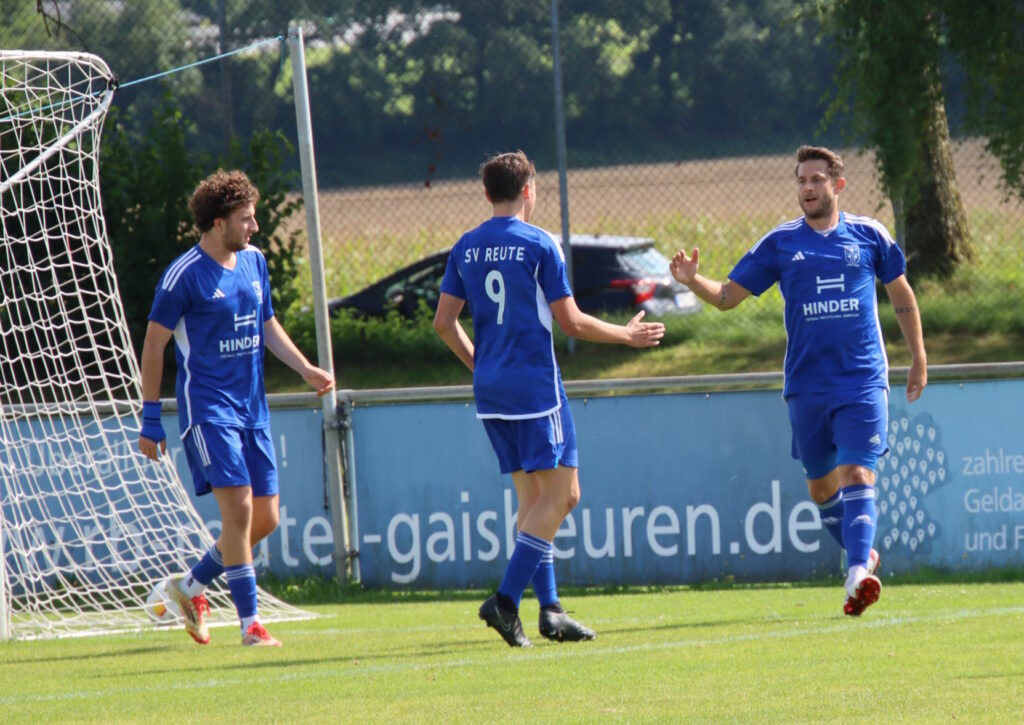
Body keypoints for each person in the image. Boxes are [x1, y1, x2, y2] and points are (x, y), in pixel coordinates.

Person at [669, 145, 927, 616]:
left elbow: (901, 293)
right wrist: (692, 281)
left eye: (816, 179)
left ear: (837, 185)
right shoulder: (781, 243)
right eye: (801, 180)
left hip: (862, 380)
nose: (807, 188)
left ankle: (856, 573)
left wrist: (919, 357)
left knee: (858, 473)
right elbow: (727, 297)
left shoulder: (869, 235)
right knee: (821, 490)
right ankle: (863, 556)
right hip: (807, 386)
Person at [433, 150, 666, 647]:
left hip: (492, 391)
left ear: (487, 193)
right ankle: (506, 600)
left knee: (533, 501)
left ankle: (552, 610)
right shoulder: (540, 243)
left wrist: (480, 365)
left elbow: (443, 322)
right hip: (535, 390)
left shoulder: (466, 246)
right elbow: (571, 322)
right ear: (529, 190)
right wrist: (627, 336)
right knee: (563, 497)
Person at [138, 169, 334, 647]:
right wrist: (150, 416)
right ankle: (251, 626)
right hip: (209, 412)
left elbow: (267, 325)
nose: (255, 226)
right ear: (218, 222)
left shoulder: (254, 262)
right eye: (246, 218)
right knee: (241, 512)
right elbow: (154, 345)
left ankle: (190, 587)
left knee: (265, 519)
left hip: (252, 411)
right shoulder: (183, 276)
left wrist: (305, 368)